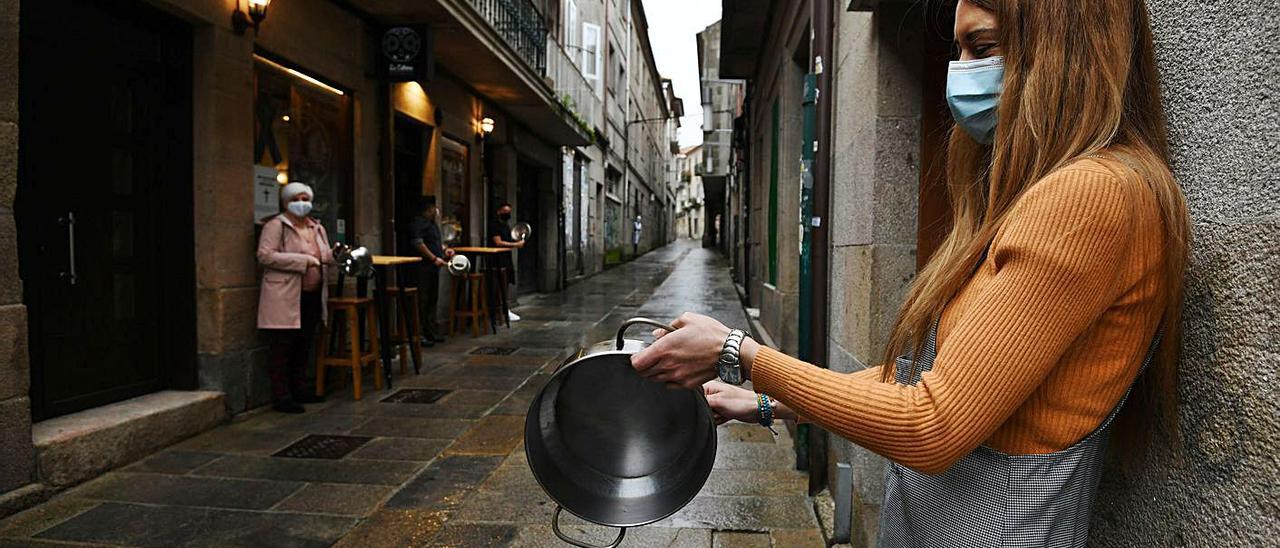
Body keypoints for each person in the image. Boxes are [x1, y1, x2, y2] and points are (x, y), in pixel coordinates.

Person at [630, 1, 1189, 546]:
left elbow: (933, 424)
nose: (962, 72)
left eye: (984, 46)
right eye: (960, 49)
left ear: (1065, 45)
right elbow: (921, 383)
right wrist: (766, 401)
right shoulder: (1035, 198)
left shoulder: (1091, 195)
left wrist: (738, 352)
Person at [256, 182, 334, 414]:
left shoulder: (316, 227)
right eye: (296, 199)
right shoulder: (276, 225)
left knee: (304, 342)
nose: (302, 203)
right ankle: (282, 395)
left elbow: (324, 254)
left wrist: (335, 254)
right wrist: (302, 261)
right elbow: (265, 256)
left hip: (311, 295)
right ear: (286, 202)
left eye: (305, 198)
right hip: (284, 295)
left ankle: (300, 388)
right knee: (282, 344)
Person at [408, 196, 452, 347]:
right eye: (434, 208)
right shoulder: (419, 223)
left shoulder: (432, 224)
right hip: (423, 267)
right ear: (428, 209)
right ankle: (420, 333)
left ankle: (431, 331)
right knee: (423, 299)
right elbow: (418, 243)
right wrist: (434, 258)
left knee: (432, 299)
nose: (436, 211)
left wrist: (445, 250)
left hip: (433, 267)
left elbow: (434, 242)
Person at [486, 202, 525, 322]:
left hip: (506, 258)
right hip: (496, 259)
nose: (507, 214)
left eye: (509, 212)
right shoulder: (494, 225)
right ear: (499, 211)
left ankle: (504, 310)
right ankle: (499, 311)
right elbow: (498, 242)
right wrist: (515, 245)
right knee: (497, 285)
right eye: (505, 211)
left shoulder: (506, 225)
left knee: (506, 283)